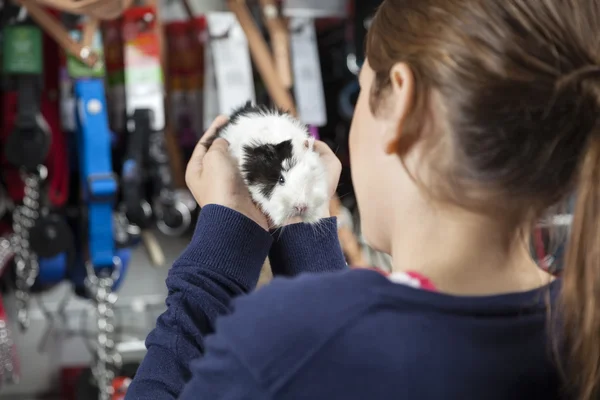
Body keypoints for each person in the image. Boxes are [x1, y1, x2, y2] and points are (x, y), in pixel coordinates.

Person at [126, 1, 600, 399]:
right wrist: (305, 227)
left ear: (402, 103)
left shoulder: (278, 344)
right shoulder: (579, 332)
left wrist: (219, 256)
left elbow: (335, 344)